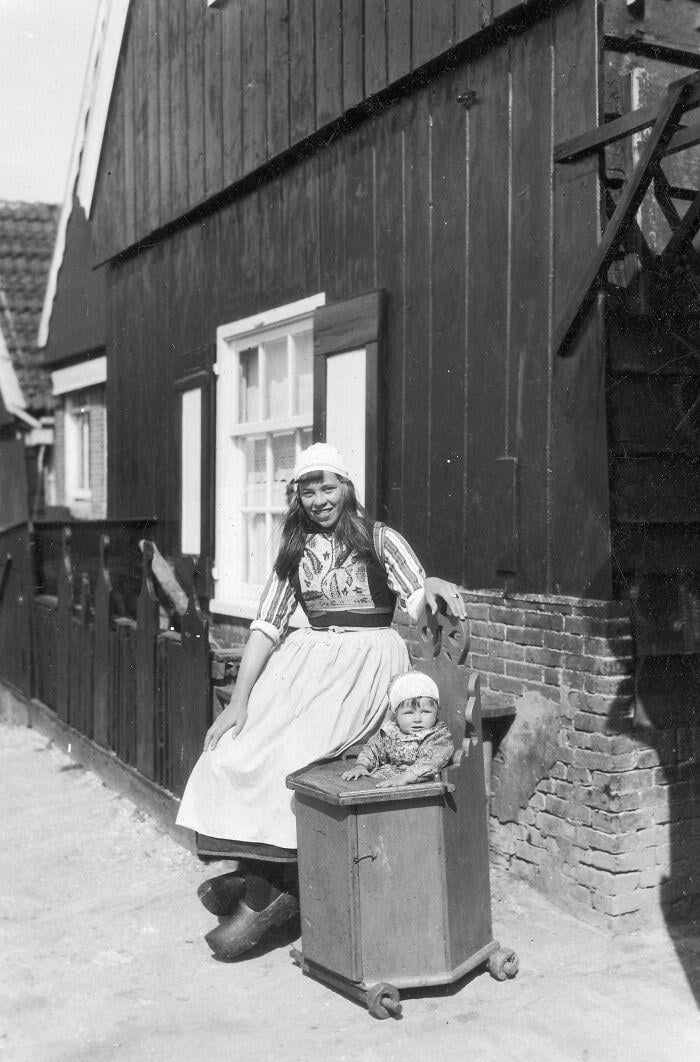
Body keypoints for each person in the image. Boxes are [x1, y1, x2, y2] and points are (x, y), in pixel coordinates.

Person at [176, 442, 466, 960]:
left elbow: (416, 598)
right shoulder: (295, 548)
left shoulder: (379, 539)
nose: (319, 501)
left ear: (346, 488)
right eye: (308, 492)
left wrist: (432, 585)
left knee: (293, 758)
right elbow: (266, 626)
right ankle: (260, 873)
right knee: (235, 749)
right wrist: (239, 702)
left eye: (327, 488)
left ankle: (266, 896)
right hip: (306, 664)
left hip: (366, 665)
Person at [340, 670, 454, 788]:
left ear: (436, 712)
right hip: (384, 780)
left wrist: (404, 778)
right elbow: (373, 749)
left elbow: (430, 763)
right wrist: (361, 765)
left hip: (416, 785)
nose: (417, 719)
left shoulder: (438, 736)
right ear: (396, 715)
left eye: (425, 712)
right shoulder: (391, 730)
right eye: (409, 713)